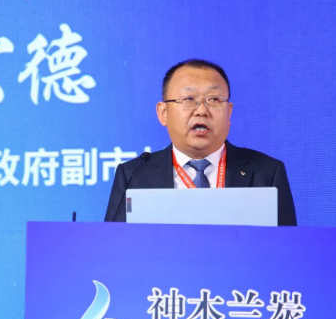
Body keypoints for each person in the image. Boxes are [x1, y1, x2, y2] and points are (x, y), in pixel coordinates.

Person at [104, 59, 297, 226]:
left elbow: (287, 248)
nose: (202, 111)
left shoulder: (267, 172)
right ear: (163, 113)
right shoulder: (133, 175)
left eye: (214, 99)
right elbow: (115, 246)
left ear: (229, 111)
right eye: (189, 99)